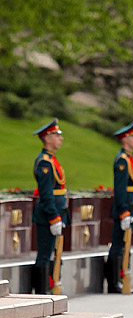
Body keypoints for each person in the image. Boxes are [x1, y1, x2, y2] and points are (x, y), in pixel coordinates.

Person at [32, 118, 69, 294]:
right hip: (48, 214)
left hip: (56, 212)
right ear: (47, 138)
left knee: (53, 254)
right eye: (57, 135)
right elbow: (46, 194)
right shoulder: (45, 163)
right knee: (45, 255)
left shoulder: (52, 160)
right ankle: (41, 294)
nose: (60, 138)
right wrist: (54, 217)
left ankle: (50, 288)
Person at [105, 122, 133, 293]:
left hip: (130, 207)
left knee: (125, 245)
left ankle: (121, 278)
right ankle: (114, 282)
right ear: (126, 139)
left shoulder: (128, 159)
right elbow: (120, 189)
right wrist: (124, 211)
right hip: (124, 209)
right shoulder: (122, 160)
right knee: (118, 245)